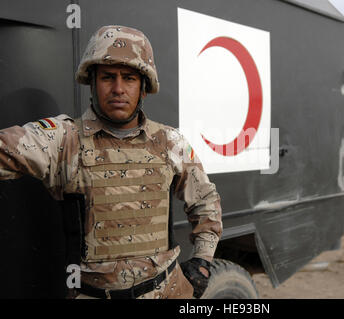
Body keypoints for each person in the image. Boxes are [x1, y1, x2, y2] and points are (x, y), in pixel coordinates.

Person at [0, 25, 223, 299]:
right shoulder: (63, 140)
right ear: (92, 83)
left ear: (143, 87)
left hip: (168, 291)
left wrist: (203, 259)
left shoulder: (169, 142)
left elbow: (205, 200)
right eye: (107, 77)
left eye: (129, 78)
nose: (118, 89)